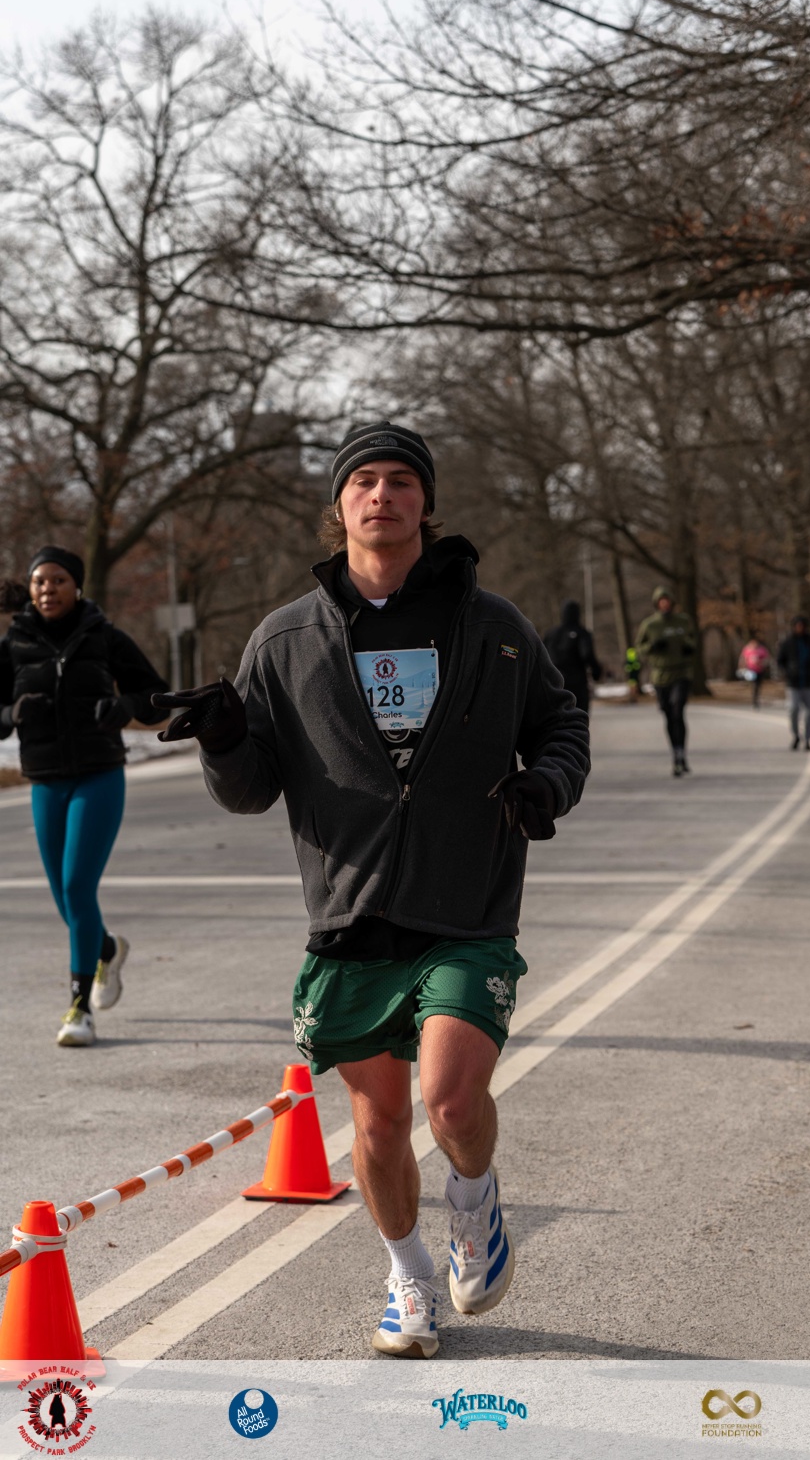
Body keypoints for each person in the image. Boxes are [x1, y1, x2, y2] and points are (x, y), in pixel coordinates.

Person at [153, 421, 590, 1359]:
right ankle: (408, 1274)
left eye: (400, 480)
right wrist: (224, 737)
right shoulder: (285, 638)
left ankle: (473, 1201)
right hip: (351, 914)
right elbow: (250, 790)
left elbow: (561, 723)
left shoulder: (492, 626)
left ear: (425, 503)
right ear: (340, 505)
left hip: (466, 906)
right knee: (379, 1123)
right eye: (364, 481)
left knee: (451, 1101)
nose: (382, 495)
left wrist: (548, 783)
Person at [0, 547, 168, 1046]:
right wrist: (10, 714)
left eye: (58, 580)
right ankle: (107, 950)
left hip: (99, 777)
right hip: (45, 780)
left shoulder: (105, 637)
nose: (48, 589)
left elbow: (156, 698)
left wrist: (123, 707)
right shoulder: (13, 644)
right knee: (64, 897)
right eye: (39, 581)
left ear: (77, 586)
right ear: (30, 590)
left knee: (76, 887)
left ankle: (79, 1008)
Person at [634, 585, 697, 775]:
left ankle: (682, 753)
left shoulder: (683, 621)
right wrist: (652, 646)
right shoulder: (650, 625)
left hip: (681, 673)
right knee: (669, 715)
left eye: (667, 601)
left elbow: (694, 640)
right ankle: (675, 753)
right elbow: (639, 648)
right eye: (661, 602)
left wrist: (689, 646)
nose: (665, 604)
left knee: (678, 711)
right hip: (660, 676)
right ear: (657, 604)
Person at [776, 615, 810, 750]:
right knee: (793, 710)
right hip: (793, 684)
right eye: (798, 626)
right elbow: (780, 661)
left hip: (809, 683)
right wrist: (787, 673)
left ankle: (808, 739)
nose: (800, 628)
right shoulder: (787, 643)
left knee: (809, 713)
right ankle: (796, 735)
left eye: (802, 626)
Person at [543, 600, 603, 714]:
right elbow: (587, 654)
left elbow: (540, 657)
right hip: (577, 684)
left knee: (555, 717)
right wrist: (597, 672)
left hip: (554, 683)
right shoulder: (582, 633)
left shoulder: (551, 634)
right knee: (579, 717)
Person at [737, 633, 771, 709]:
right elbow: (743, 659)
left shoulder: (762, 650)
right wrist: (742, 666)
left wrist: (762, 663)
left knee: (758, 685)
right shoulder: (747, 649)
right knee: (754, 685)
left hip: (760, 670)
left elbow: (767, 659)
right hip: (751, 670)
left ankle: (756, 698)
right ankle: (754, 700)